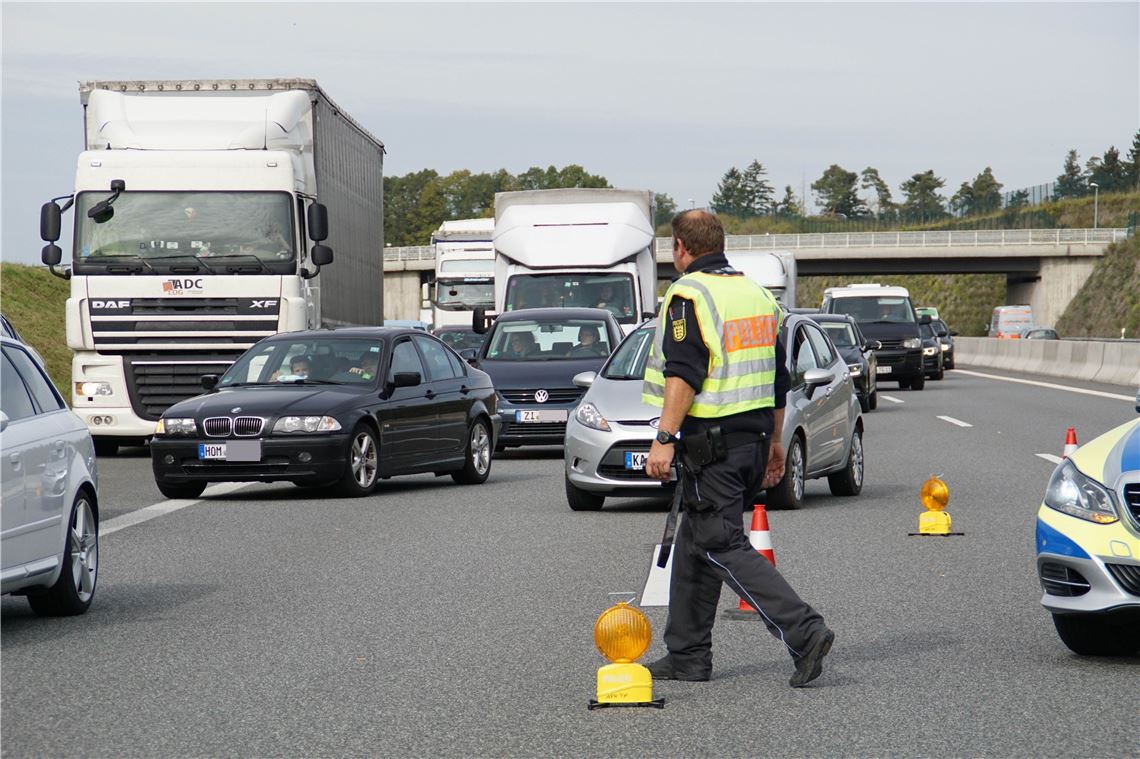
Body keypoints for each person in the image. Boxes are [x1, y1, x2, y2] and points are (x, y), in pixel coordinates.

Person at [642, 209, 834, 688]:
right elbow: (778, 378)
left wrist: (664, 439)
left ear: (681, 248)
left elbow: (684, 371)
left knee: (719, 542)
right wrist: (774, 443)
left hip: (715, 446)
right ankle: (687, 655)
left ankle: (804, 630)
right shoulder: (756, 294)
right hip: (749, 443)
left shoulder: (689, 294)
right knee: (695, 543)